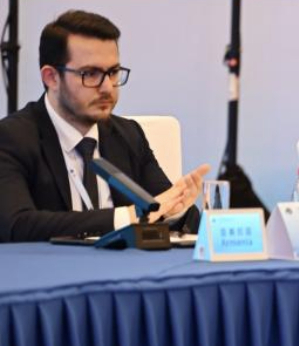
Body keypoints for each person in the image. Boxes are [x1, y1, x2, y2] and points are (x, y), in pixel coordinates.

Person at [0, 10, 208, 244]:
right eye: (90, 74)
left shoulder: (129, 136)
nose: (108, 87)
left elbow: (159, 205)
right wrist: (124, 217)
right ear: (51, 77)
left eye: (113, 72)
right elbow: (15, 225)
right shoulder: (12, 138)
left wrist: (176, 210)